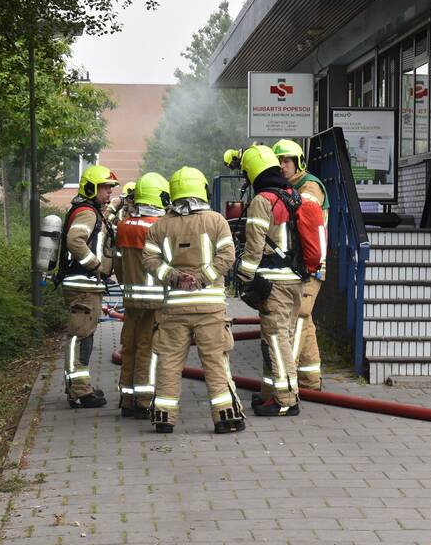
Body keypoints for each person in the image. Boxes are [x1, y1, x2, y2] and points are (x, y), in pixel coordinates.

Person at [142, 167, 244, 434]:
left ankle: (164, 417)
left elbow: (149, 261)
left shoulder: (160, 226)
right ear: (202, 189)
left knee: (169, 362)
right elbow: (227, 257)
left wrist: (175, 278)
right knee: (215, 361)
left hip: (174, 309)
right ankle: (226, 417)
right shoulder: (217, 221)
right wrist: (201, 278)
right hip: (210, 308)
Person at [236, 145, 305, 416]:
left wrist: (243, 277)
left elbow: (253, 248)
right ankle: (269, 393)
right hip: (295, 279)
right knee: (278, 336)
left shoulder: (263, 200)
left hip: (273, 282)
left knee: (276, 341)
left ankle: (286, 400)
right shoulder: (293, 195)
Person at [60, 164, 119, 408]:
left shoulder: (92, 210)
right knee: (80, 336)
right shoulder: (87, 212)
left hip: (86, 285)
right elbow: (75, 241)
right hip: (82, 283)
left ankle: (81, 388)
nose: (109, 192)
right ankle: (79, 392)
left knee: (85, 335)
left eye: (110, 188)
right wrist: (95, 266)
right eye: (105, 187)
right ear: (91, 188)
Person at [272, 139, 328, 391]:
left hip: (312, 264)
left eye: (287, 161)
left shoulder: (309, 187)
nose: (283, 166)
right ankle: (309, 379)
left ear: (298, 163)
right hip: (303, 263)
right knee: (306, 318)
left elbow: (306, 218)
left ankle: (288, 379)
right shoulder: (289, 186)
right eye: (279, 162)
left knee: (298, 318)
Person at [115, 172, 170, 418]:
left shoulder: (124, 225)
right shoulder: (158, 228)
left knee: (130, 346)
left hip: (130, 298)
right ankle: (144, 400)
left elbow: (117, 263)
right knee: (149, 348)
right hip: (155, 298)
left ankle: (127, 398)